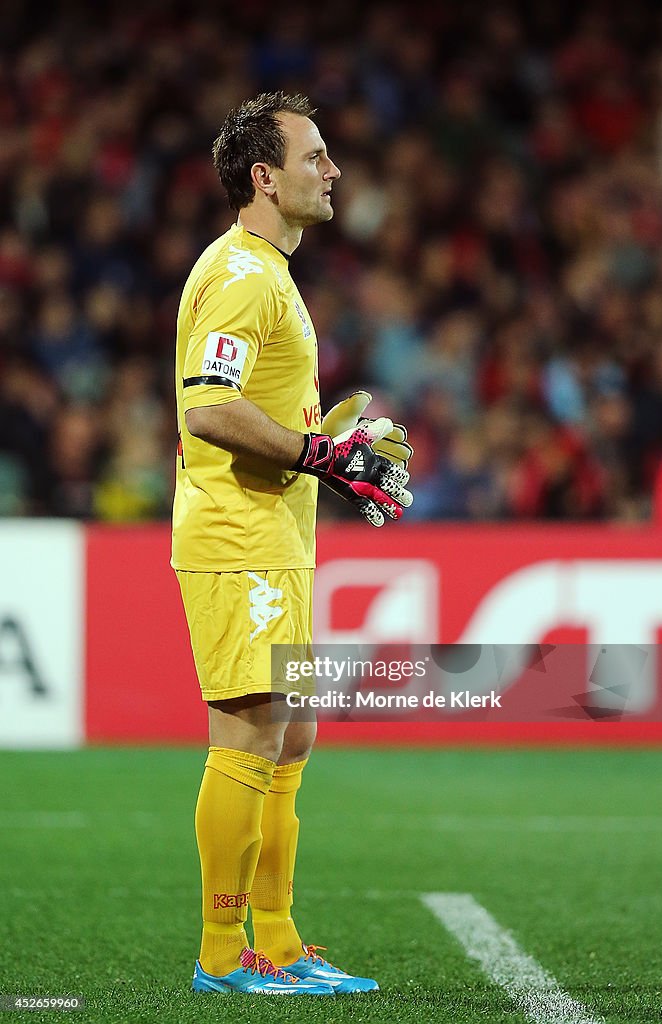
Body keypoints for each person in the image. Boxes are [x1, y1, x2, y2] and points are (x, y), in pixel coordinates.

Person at [171, 92, 413, 996]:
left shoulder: (269, 275)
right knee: (251, 728)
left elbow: (258, 404)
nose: (333, 170)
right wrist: (322, 455)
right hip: (238, 540)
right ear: (264, 177)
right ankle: (222, 956)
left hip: (278, 539)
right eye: (315, 156)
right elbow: (208, 408)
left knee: (294, 731)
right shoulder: (241, 274)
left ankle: (275, 939)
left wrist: (335, 440)